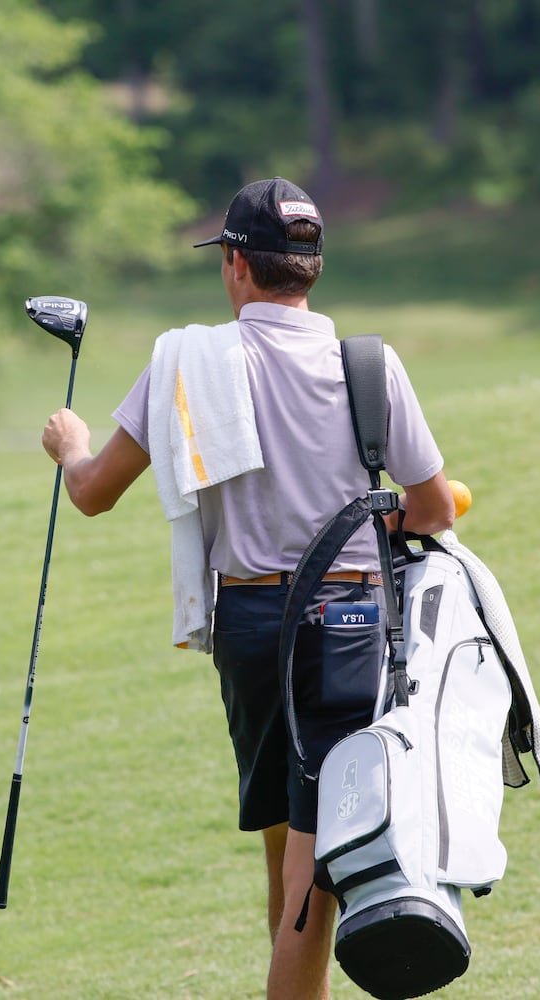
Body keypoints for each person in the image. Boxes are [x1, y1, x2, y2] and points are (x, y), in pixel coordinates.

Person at [41, 178, 454, 999]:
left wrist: (69, 441)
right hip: (344, 629)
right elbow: (435, 509)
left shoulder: (185, 362)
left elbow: (91, 490)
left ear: (235, 265)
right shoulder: (369, 364)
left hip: (248, 626)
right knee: (311, 854)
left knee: (290, 838)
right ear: (313, 267)